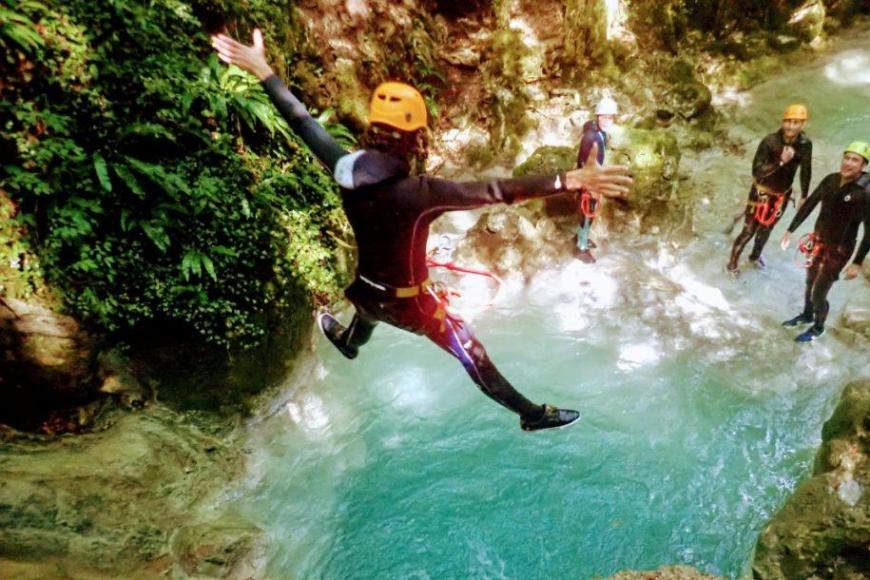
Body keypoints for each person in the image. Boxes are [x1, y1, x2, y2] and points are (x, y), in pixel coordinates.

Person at [211, 30, 633, 431]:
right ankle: (531, 415)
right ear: (416, 140)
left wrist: (263, 70)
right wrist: (566, 180)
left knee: (368, 313)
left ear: (373, 130)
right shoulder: (421, 193)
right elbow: (495, 190)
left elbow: (304, 124)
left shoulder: (344, 169)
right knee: (473, 354)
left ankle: (349, 343)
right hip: (411, 306)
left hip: (364, 292)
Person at [780, 141, 870, 342]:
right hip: (818, 240)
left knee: (819, 292)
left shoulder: (865, 192)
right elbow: (810, 203)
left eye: (854, 160)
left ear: (863, 166)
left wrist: (857, 262)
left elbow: (869, 231)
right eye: (846, 158)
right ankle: (806, 315)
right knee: (809, 281)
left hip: (839, 249)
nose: (848, 163)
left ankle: (818, 328)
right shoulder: (831, 180)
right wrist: (790, 229)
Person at [726, 104, 813, 275]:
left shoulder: (805, 144)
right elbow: (756, 171)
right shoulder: (770, 142)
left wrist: (804, 194)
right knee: (749, 231)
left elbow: (806, 169)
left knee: (767, 229)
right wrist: (780, 161)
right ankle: (732, 265)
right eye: (788, 121)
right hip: (761, 193)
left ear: (803, 125)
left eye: (796, 122)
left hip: (782, 195)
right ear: (782, 122)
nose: (791, 126)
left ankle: (755, 256)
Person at [573, 96, 618, 264]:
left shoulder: (598, 132)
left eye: (611, 117)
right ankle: (581, 248)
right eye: (604, 117)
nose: (608, 121)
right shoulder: (591, 136)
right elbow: (585, 162)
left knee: (587, 213)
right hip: (587, 180)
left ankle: (579, 237)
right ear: (598, 116)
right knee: (587, 213)